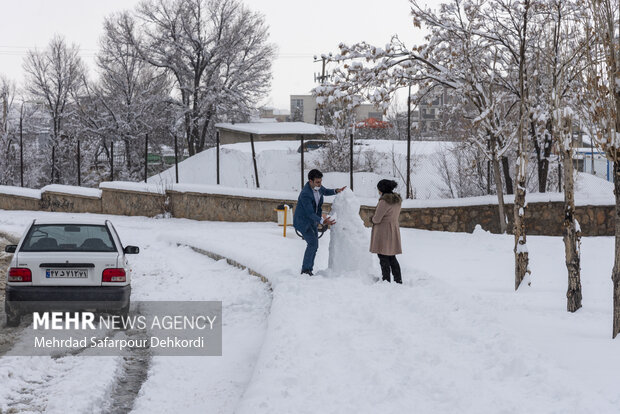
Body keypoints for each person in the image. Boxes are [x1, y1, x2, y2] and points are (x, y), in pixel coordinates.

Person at [294, 169, 346, 275]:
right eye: (317, 182)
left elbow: (325, 191)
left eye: (320, 181)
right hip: (303, 222)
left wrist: (336, 190)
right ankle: (305, 270)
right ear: (310, 181)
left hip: (313, 220)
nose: (320, 184)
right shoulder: (305, 194)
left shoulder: (318, 187)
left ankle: (308, 268)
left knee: (314, 245)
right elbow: (310, 213)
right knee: (312, 244)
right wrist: (322, 220)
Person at [370, 179, 402, 283]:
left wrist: (371, 218)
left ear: (382, 189)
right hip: (393, 229)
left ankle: (386, 280)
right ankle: (398, 279)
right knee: (392, 256)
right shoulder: (397, 201)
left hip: (383, 232)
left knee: (383, 257)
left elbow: (377, 219)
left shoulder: (384, 201)